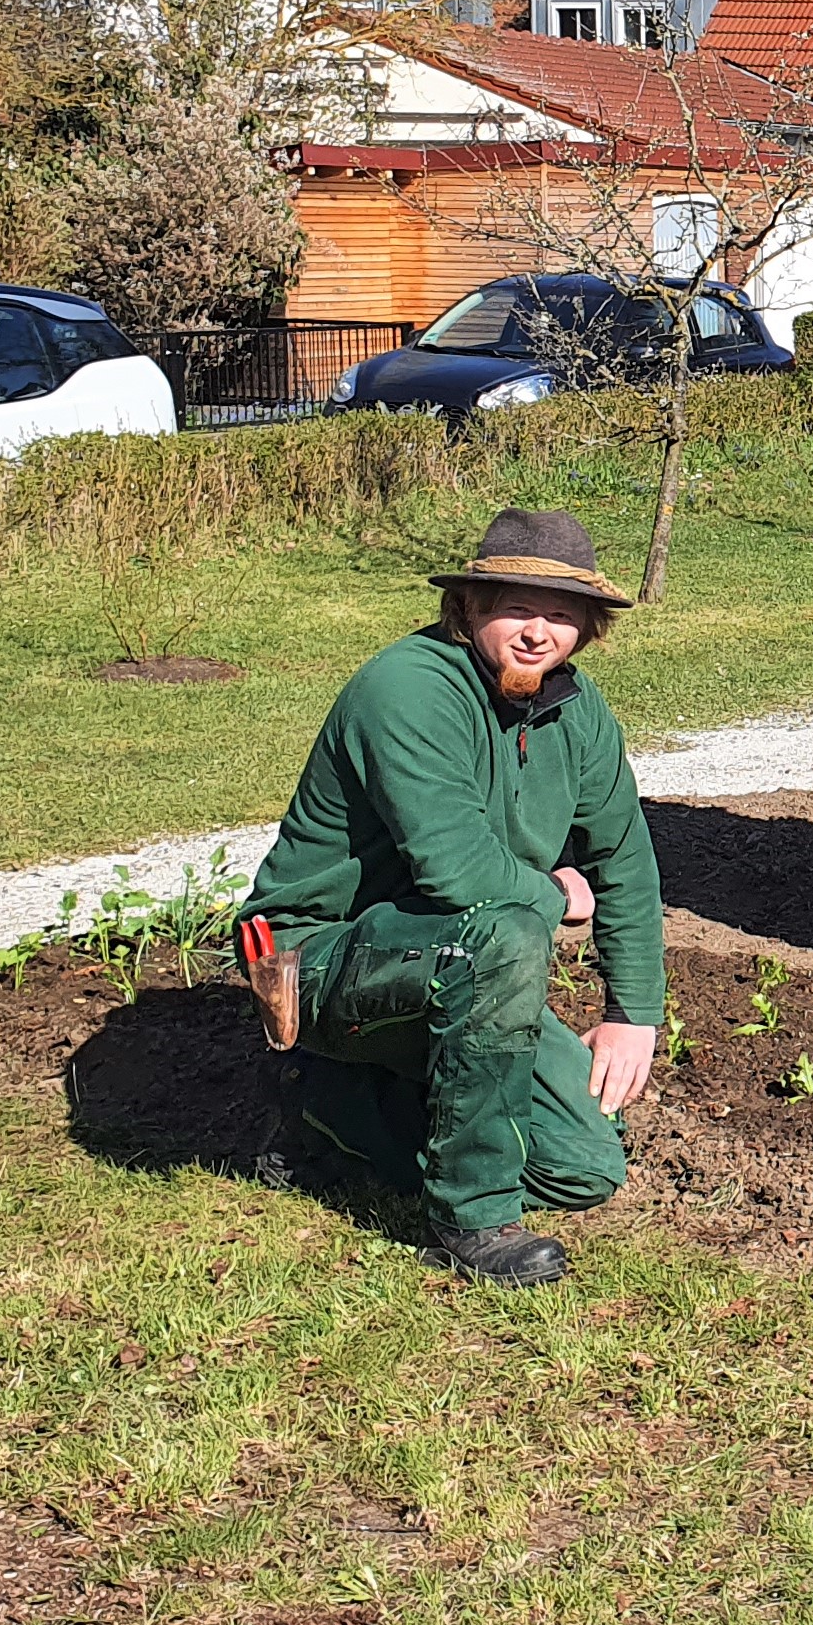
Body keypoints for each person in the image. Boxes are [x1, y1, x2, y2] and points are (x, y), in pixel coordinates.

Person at [235, 508, 663, 1288]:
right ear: (468, 607)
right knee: (501, 938)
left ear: (588, 629)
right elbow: (455, 872)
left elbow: (624, 859)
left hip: (454, 952)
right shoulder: (408, 686)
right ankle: (470, 1221)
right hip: (321, 956)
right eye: (515, 608)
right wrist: (556, 897)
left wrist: (633, 1013)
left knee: (584, 1169)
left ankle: (339, 1113)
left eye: (563, 615)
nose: (538, 633)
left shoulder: (575, 710)